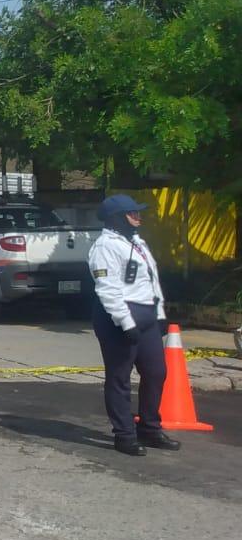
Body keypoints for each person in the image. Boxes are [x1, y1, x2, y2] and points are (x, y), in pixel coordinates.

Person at [88, 194, 179, 457]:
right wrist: (125, 323)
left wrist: (159, 313)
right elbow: (108, 289)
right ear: (117, 217)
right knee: (120, 377)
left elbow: (151, 280)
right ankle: (124, 435)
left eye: (138, 212)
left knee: (156, 372)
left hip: (146, 313)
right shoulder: (104, 247)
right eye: (132, 213)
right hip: (119, 316)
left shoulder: (137, 242)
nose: (138, 216)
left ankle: (149, 428)